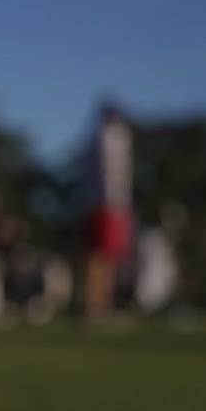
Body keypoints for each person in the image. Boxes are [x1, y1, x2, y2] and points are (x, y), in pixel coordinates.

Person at [82, 103, 134, 320]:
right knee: (101, 256)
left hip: (104, 203)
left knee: (106, 256)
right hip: (109, 204)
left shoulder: (97, 136)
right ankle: (95, 306)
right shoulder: (112, 136)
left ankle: (100, 305)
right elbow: (113, 174)